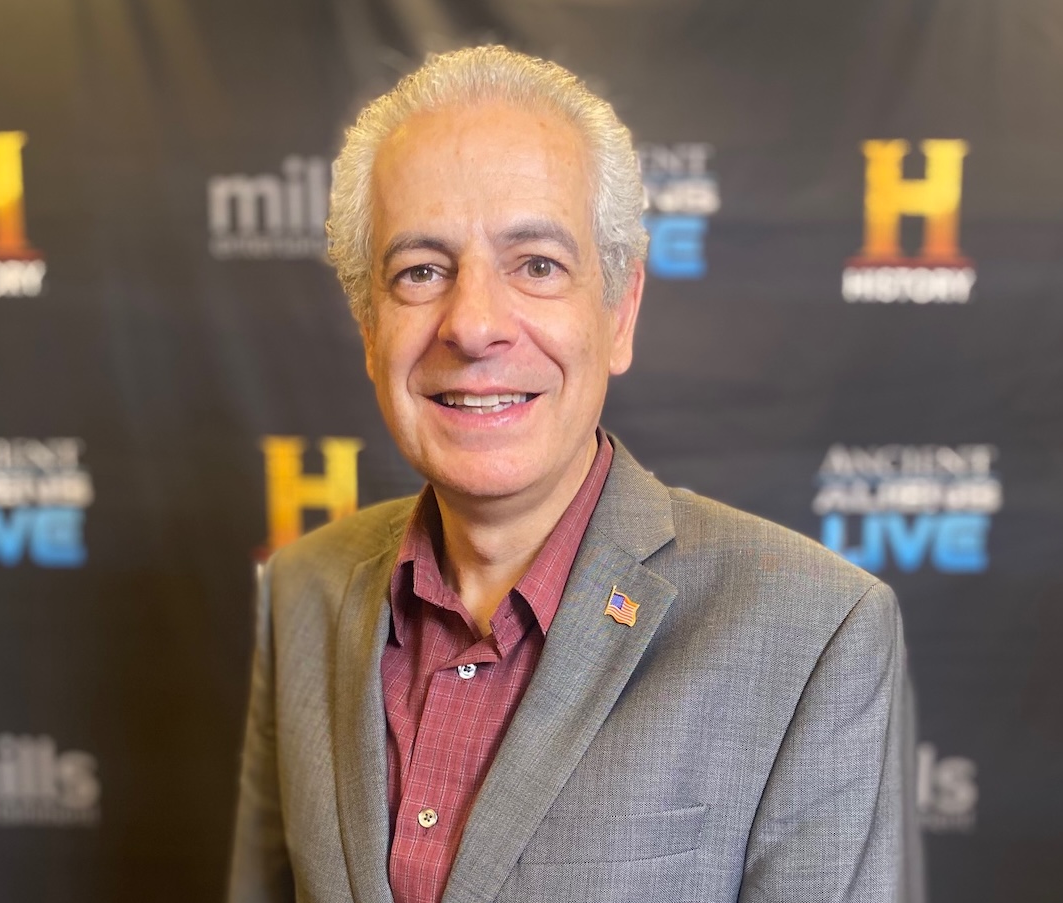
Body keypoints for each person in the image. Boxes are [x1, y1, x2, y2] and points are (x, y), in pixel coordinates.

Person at [228, 45, 921, 903]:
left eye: (537, 265)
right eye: (421, 271)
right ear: (370, 329)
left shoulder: (816, 632)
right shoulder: (300, 591)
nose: (473, 324)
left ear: (620, 312)